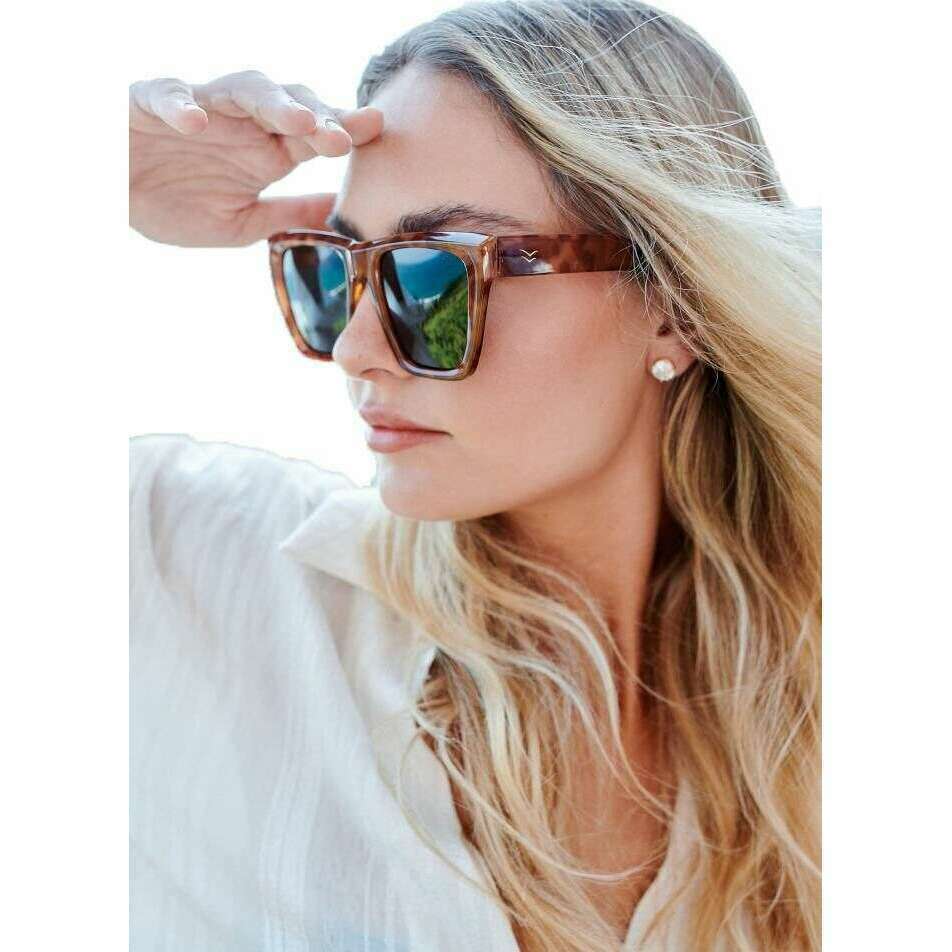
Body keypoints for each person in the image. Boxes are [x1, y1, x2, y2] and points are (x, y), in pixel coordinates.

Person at [128, 1, 821, 950]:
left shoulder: (818, 714)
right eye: (336, 270)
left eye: (433, 275)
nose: (356, 348)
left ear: (674, 305)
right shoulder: (193, 566)